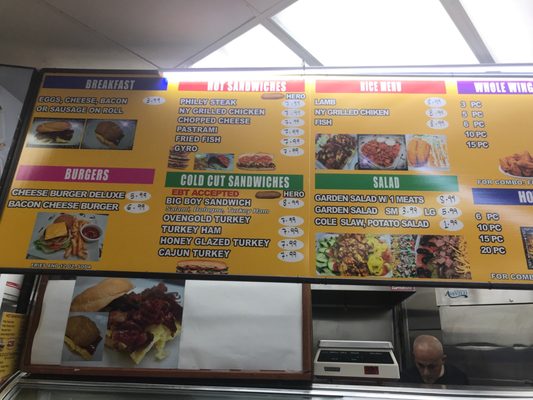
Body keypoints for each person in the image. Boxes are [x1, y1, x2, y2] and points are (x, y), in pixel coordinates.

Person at [400, 335, 468, 385]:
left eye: (431, 366)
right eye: (420, 365)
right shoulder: (406, 379)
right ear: (414, 358)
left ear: (443, 360)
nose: (426, 373)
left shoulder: (458, 378)